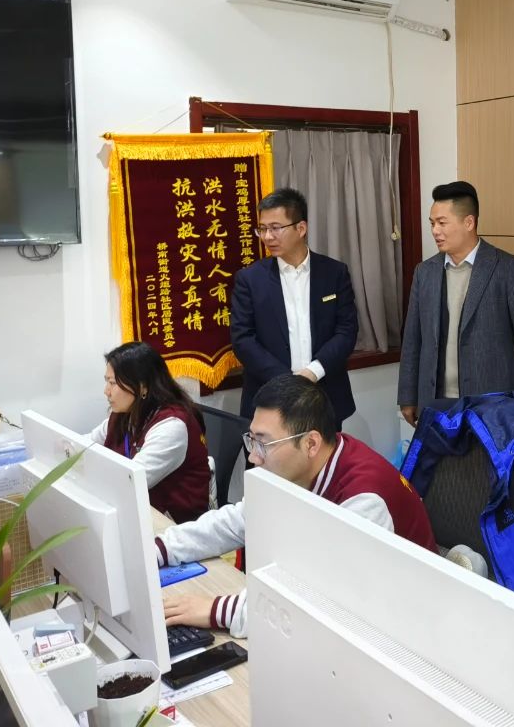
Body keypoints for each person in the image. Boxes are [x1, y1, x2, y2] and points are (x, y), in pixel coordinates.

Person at [159, 374, 436, 635]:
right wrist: (161, 549)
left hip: (405, 625)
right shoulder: (304, 465)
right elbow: (237, 520)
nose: (254, 457)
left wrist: (215, 610)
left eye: (264, 443)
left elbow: (318, 601)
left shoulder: (364, 500)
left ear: (311, 443)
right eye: (252, 440)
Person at [398, 181, 514, 425]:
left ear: (469, 222)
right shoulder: (425, 272)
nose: (435, 231)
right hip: (437, 404)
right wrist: (408, 396)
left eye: (442, 223)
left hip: (494, 406)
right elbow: (412, 339)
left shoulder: (507, 269)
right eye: (432, 223)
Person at [230, 187, 360, 427]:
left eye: (275, 228)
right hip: (269, 397)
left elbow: (346, 330)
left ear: (301, 228)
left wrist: (313, 371)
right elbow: (243, 339)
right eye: (262, 229)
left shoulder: (334, 272)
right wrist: (288, 382)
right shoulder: (250, 279)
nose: (267, 237)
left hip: (325, 394)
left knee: (325, 452)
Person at [89, 341, 211, 523]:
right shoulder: (126, 413)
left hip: (173, 523)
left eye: (113, 383)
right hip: (138, 510)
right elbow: (86, 445)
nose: (106, 391)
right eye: (107, 381)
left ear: (142, 386)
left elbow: (131, 483)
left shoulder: (171, 427)